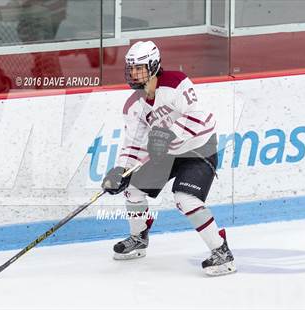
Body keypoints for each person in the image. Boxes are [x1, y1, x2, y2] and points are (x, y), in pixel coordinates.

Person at [101, 41, 236, 276]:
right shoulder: (133, 105)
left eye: (139, 67)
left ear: (154, 66)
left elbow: (203, 121)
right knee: (132, 190)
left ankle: (222, 253)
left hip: (198, 149)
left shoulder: (177, 83)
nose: (133, 73)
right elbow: (133, 144)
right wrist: (122, 169)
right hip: (167, 154)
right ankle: (139, 238)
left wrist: (169, 135)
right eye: (130, 68)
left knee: (186, 199)